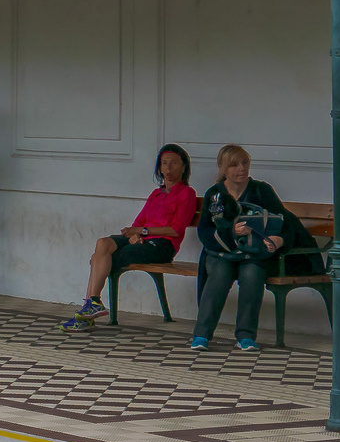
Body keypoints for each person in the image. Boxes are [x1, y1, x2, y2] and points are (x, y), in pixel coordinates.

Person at [61, 144, 198, 331]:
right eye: (164, 163)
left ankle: (89, 312)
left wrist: (143, 232)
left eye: (174, 163)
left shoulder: (187, 193)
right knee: (103, 244)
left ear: (184, 167)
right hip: (144, 241)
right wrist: (135, 235)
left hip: (163, 246)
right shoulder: (156, 194)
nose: (168, 168)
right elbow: (137, 224)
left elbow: (176, 229)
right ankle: (93, 303)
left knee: (102, 258)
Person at [191, 144, 311, 351]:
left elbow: (285, 222)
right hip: (221, 254)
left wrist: (279, 240)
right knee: (219, 275)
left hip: (253, 255)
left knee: (252, 275)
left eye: (245, 163)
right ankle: (201, 335)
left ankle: (246, 337)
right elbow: (205, 231)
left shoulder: (261, 190)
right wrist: (232, 233)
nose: (241, 169)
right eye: (234, 165)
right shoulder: (215, 194)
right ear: (223, 168)